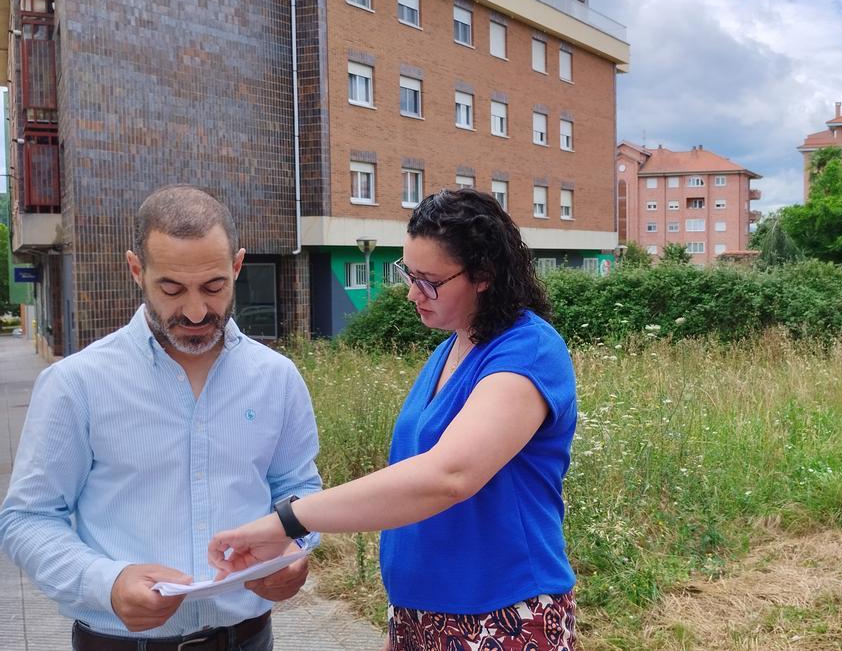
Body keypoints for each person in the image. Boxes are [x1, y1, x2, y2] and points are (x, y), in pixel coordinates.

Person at [208, 188, 579, 650]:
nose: (411, 293)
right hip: (421, 615)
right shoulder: (452, 349)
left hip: (501, 616)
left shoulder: (529, 351)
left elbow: (449, 475)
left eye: (428, 281)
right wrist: (401, 624)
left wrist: (286, 521)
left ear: (483, 275)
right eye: (408, 273)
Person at [0, 184, 322, 650]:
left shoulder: (277, 377)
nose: (195, 311)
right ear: (137, 270)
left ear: (237, 266)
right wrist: (106, 582)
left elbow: (299, 489)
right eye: (171, 289)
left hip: (248, 638)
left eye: (214, 287)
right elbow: (27, 519)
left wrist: (294, 552)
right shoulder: (77, 383)